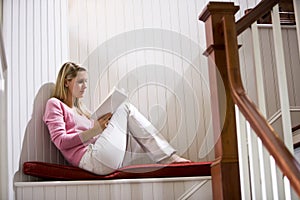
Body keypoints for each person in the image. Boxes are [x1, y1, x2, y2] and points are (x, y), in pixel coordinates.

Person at [43, 62, 190, 175]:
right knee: (125, 108)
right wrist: (95, 130)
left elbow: (95, 134)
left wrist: (105, 125)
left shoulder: (81, 110)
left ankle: (164, 159)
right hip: (91, 159)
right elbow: (61, 142)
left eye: (86, 81)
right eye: (80, 81)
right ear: (66, 82)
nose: (85, 86)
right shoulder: (54, 104)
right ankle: (168, 158)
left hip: (101, 154)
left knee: (130, 126)